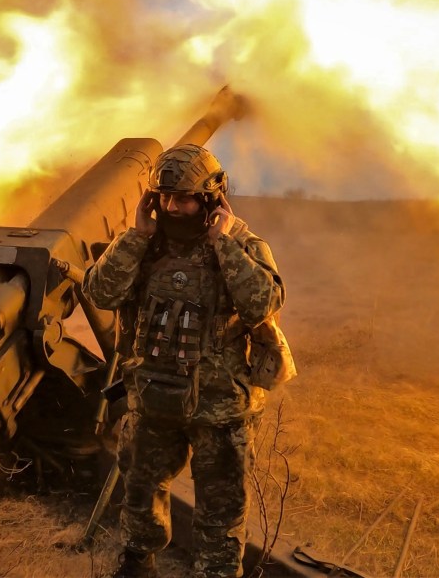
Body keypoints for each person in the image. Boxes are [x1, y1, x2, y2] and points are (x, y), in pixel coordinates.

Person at [82, 144, 289, 578]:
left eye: (185, 198)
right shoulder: (143, 244)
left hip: (220, 410)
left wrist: (223, 242)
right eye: (165, 198)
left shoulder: (242, 244)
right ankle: (139, 565)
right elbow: (100, 292)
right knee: (140, 493)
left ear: (212, 198)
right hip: (152, 400)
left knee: (220, 511)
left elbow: (263, 303)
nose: (174, 207)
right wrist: (136, 236)